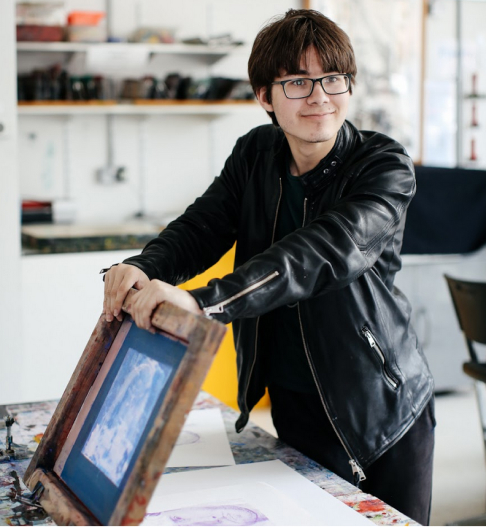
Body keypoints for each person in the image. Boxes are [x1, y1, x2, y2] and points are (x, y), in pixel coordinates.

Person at [103, 9, 435, 525]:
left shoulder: (384, 167)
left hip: (381, 413)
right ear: (265, 96)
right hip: (293, 402)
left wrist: (203, 301)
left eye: (333, 79)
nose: (320, 96)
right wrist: (143, 266)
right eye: (298, 82)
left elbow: (320, 252)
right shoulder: (256, 154)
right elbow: (202, 226)